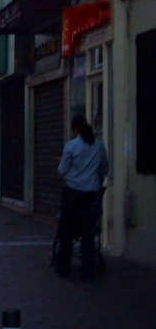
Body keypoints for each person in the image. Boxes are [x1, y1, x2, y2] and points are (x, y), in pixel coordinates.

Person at [55, 115, 109, 282]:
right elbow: (104, 169)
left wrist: (64, 164)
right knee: (88, 232)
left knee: (67, 229)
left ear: (75, 129)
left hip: (72, 191)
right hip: (91, 193)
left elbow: (62, 170)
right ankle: (87, 271)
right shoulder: (99, 145)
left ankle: (64, 266)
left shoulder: (71, 146)